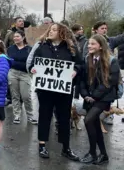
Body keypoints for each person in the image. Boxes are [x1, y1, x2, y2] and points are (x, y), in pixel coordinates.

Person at [29, 23, 81, 161]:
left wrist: (75, 70)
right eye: (50, 30)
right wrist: (33, 69)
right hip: (45, 90)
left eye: (54, 30)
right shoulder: (42, 46)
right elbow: (33, 63)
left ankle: (66, 147)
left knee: (64, 118)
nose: (50, 32)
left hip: (64, 90)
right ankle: (42, 145)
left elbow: (80, 64)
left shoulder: (71, 49)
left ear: (61, 32)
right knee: (44, 116)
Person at [78, 34, 119, 165]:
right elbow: (82, 79)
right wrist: (85, 94)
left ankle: (92, 153)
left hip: (104, 97)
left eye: (93, 44)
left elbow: (109, 82)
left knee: (88, 119)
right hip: (90, 97)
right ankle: (103, 154)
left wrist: (94, 95)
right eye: (89, 43)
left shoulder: (111, 60)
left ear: (100, 46)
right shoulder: (86, 59)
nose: (89, 46)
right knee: (94, 123)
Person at [6, 30, 37, 125]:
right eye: (14, 36)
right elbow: (9, 61)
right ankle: (17, 115)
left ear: (23, 37)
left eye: (17, 36)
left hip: (25, 74)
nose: (15, 38)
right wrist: (18, 64)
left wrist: (16, 63)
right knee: (15, 95)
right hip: (13, 73)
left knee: (26, 96)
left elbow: (30, 63)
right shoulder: (11, 48)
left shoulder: (29, 49)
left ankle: (30, 115)